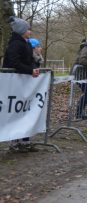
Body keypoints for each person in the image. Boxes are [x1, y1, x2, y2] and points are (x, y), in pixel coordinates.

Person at [2, 16, 40, 152]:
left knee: (25, 111)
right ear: (21, 30)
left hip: (24, 82)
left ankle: (25, 141)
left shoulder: (26, 43)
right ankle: (14, 142)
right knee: (15, 112)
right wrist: (30, 70)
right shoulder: (15, 43)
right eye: (28, 29)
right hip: (14, 83)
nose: (30, 31)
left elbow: (29, 59)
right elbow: (14, 62)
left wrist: (34, 67)